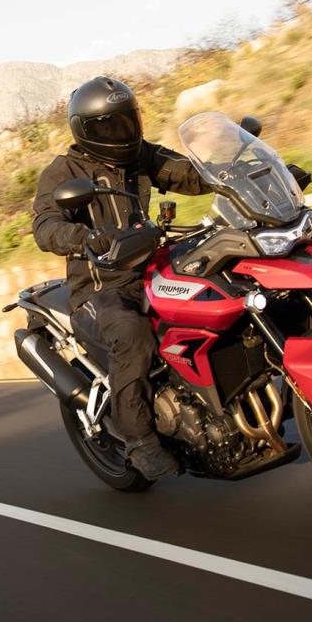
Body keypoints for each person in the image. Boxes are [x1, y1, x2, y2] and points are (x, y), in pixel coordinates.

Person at [31, 76, 213, 480]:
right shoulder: (63, 172)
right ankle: (140, 441)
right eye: (109, 126)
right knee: (132, 333)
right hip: (101, 288)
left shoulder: (140, 156)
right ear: (85, 130)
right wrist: (84, 238)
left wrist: (244, 172)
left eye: (126, 121)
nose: (122, 133)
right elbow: (45, 226)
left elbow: (187, 174)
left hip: (153, 270)